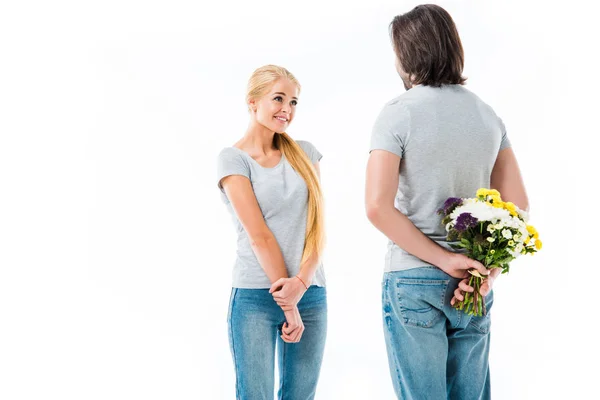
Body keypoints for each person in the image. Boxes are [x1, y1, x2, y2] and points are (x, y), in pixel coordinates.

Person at [364, 5, 529, 399]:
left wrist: (442, 259)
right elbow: (518, 207)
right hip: (472, 285)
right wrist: (486, 273)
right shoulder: (488, 116)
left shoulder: (397, 114)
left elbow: (376, 206)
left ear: (407, 55)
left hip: (413, 279)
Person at [217, 64, 327, 400]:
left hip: (310, 293)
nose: (287, 110)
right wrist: (287, 303)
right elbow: (259, 235)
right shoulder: (233, 159)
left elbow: (317, 226)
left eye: (293, 102)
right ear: (252, 102)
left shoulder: (305, 153)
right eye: (278, 99)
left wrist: (302, 284)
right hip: (254, 298)